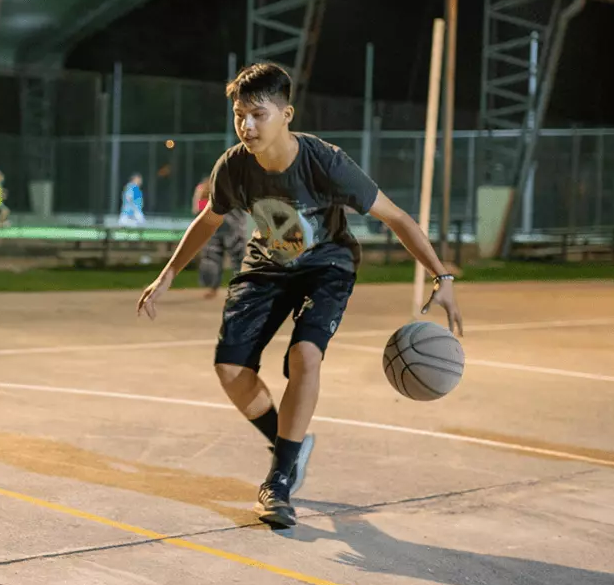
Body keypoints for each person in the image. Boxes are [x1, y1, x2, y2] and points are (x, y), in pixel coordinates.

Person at [137, 63, 462, 528]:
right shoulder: (233, 166)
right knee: (230, 370)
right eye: (239, 115)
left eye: (258, 114)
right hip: (268, 265)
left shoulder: (324, 162)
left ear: (286, 114)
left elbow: (397, 217)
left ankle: (279, 479)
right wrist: (168, 274)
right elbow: (209, 219)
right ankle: (291, 442)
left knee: (304, 356)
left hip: (327, 265)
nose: (246, 126)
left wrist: (441, 277)